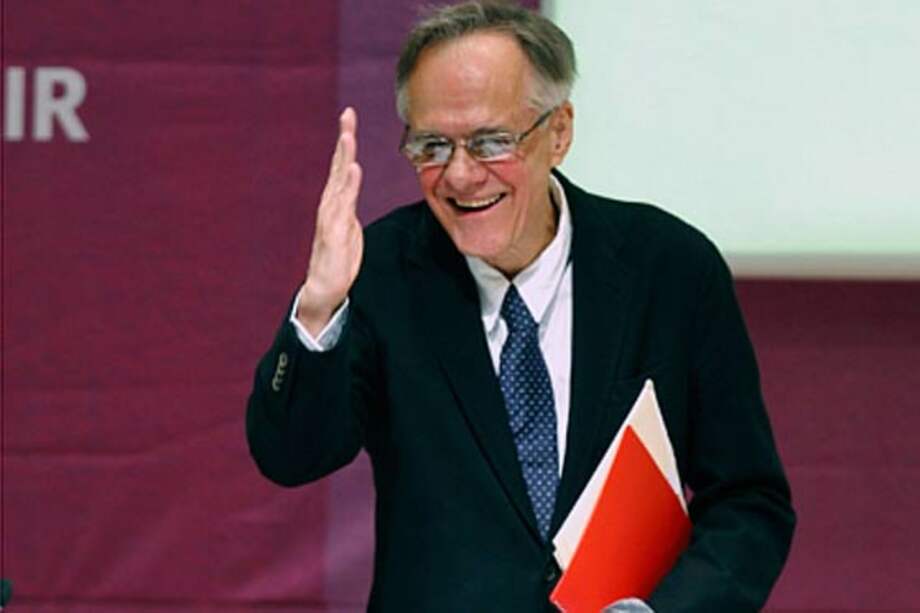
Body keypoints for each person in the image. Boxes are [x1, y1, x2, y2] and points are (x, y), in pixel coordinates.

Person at [246, 2, 795, 611]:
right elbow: (291, 457)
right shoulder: (378, 273)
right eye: (432, 145)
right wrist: (319, 308)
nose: (459, 175)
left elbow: (749, 502)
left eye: (490, 142)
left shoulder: (670, 269)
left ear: (558, 131)